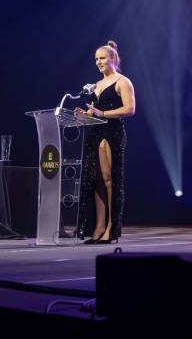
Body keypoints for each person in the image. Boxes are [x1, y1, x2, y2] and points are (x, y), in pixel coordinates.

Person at [74, 41, 135, 244]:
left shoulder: (122, 81)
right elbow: (95, 112)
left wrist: (103, 113)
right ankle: (99, 227)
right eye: (96, 59)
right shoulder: (96, 85)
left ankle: (111, 227)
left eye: (102, 58)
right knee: (96, 181)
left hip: (111, 133)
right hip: (94, 133)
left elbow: (129, 109)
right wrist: (86, 114)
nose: (98, 62)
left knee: (109, 181)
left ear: (113, 59)